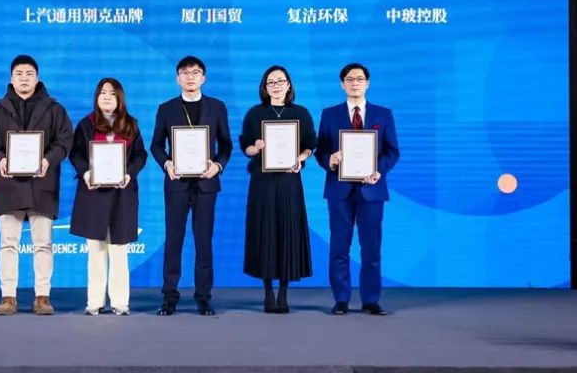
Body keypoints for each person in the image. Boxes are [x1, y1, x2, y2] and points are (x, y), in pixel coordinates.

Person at [0, 55, 73, 316]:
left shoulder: (54, 109)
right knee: (8, 244)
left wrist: (47, 159)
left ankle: (42, 296)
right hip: (9, 185)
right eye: (19, 73)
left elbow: (65, 140)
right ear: (11, 78)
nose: (24, 78)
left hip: (43, 183)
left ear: (37, 78)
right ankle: (8, 296)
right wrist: (0, 159)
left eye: (29, 73)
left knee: (43, 244)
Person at [314, 63, 401, 316]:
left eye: (360, 79)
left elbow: (393, 151)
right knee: (339, 248)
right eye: (350, 79)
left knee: (371, 248)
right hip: (339, 190)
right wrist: (330, 160)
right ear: (342, 84)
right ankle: (341, 299)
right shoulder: (329, 114)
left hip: (372, 190)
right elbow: (321, 151)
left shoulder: (383, 114)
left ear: (367, 83)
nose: (355, 83)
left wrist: (379, 170)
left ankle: (371, 300)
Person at [150, 56, 233, 316]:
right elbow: (156, 145)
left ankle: (204, 297)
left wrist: (218, 165)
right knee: (173, 241)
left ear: (203, 78)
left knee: (203, 242)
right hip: (176, 183)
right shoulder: (166, 108)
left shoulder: (217, 107)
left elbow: (226, 145)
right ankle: (169, 297)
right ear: (177, 78)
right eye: (185, 73)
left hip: (206, 183)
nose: (190, 77)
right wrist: (167, 164)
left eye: (195, 72)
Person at [239, 66, 316, 313]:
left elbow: (309, 145)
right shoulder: (255, 113)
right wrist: (256, 147)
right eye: (270, 82)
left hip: (289, 180)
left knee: (287, 233)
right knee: (265, 233)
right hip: (262, 181)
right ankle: (267, 292)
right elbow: (246, 147)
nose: (276, 86)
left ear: (289, 85)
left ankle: (283, 292)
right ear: (264, 87)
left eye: (280, 81)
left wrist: (300, 159)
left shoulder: (301, 113)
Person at [68, 78, 148, 316]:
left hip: (122, 193)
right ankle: (94, 301)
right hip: (94, 193)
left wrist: (129, 173)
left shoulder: (131, 125)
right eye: (102, 93)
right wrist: (86, 173)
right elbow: (76, 153)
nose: (106, 97)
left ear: (119, 98)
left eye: (112, 94)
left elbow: (140, 155)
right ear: (96, 97)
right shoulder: (86, 124)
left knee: (119, 250)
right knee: (96, 249)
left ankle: (120, 302)